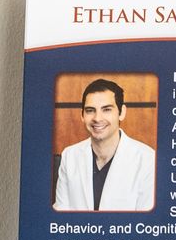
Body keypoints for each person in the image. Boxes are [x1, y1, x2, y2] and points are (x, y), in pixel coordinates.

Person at [53, 78, 155, 211]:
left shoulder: (148, 159)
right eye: (90, 110)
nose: (97, 118)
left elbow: (147, 224)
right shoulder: (69, 155)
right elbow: (59, 216)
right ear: (82, 115)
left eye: (106, 109)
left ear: (121, 112)